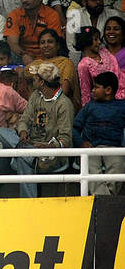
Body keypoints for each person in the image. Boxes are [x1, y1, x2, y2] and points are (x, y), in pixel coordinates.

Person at [13, 62, 73, 198]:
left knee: (22, 157)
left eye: (35, 78)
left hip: (50, 153)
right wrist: (23, 131)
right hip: (30, 144)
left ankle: (29, 202)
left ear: (42, 82)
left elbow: (65, 139)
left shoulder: (64, 104)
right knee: (2, 134)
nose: (32, 80)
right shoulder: (36, 95)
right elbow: (24, 120)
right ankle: (28, 155)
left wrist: (47, 146)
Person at [72, 72, 125, 195]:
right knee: (91, 170)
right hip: (91, 148)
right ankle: (106, 201)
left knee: (118, 167)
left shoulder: (122, 107)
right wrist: (81, 143)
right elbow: (74, 129)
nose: (93, 91)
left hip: (113, 149)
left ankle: (102, 199)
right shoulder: (90, 107)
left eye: (96, 87)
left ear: (108, 90)